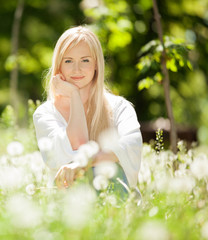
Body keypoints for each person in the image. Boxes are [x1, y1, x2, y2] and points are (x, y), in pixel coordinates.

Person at [33, 25, 142, 192]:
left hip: (115, 203)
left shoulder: (120, 107)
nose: (77, 69)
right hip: (69, 206)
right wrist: (74, 96)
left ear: (96, 64)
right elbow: (79, 143)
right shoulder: (45, 114)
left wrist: (84, 163)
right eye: (68, 61)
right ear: (59, 65)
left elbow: (130, 146)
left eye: (85, 60)